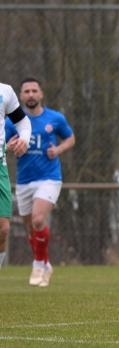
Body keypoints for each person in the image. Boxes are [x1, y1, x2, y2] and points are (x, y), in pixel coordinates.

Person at [4, 78, 75, 287]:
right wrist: (10, 145)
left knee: (37, 220)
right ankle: (45, 262)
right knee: (30, 230)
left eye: (34, 90)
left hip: (49, 177)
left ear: (41, 94)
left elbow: (70, 138)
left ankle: (37, 263)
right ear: (20, 95)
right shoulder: (12, 122)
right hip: (24, 180)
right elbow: (4, 143)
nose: (31, 94)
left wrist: (58, 150)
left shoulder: (55, 118)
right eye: (26, 91)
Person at [0, 82, 31, 270]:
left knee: (3, 229)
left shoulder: (5, 91)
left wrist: (24, 139)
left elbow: (22, 122)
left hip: (0, 166)